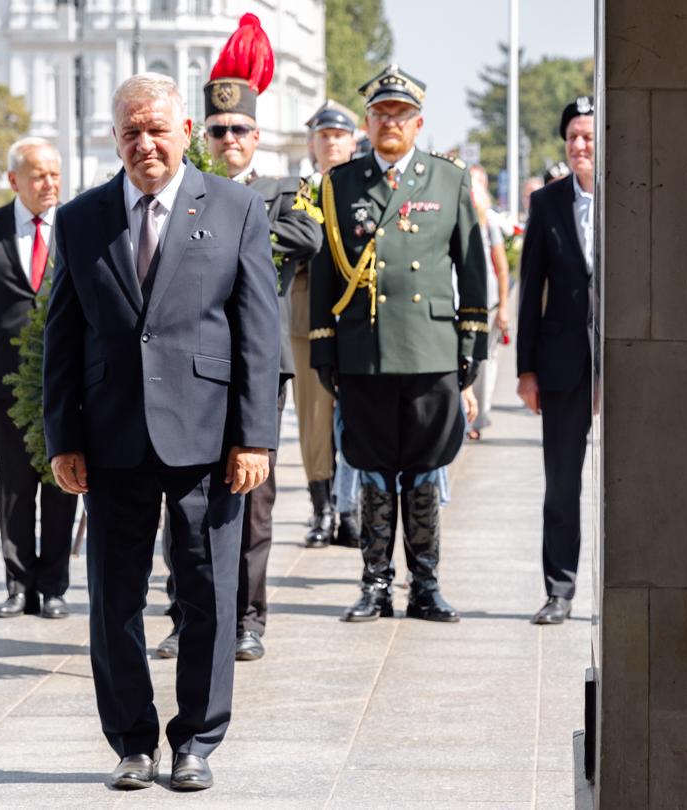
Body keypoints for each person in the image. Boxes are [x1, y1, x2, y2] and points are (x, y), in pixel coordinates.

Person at [42, 72, 278, 792]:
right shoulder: (81, 219)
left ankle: (197, 741)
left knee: (208, 589)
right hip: (111, 439)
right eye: (130, 132)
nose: (145, 143)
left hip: (208, 440)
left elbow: (258, 333)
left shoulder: (235, 208)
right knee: (114, 596)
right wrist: (62, 439)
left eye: (157, 129)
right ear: (114, 139)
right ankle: (133, 742)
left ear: (184, 132)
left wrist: (255, 438)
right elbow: (62, 334)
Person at [152, 14, 318, 665]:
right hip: (188, 363)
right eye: (218, 130)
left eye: (240, 130)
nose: (230, 141)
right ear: (204, 133)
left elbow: (308, 241)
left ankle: (249, 616)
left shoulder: (280, 192)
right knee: (182, 497)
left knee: (252, 499)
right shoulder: (181, 191)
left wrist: (237, 227)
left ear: (257, 134)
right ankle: (184, 612)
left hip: (254, 365)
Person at [308, 64, 491, 624]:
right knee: (371, 469)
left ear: (418, 124)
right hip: (367, 350)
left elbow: (473, 268)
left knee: (425, 467)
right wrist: (324, 349)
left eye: (401, 115)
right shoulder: (340, 183)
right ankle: (375, 586)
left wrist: (471, 347)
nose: (391, 123)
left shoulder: (448, 179)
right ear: (367, 121)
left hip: (432, 349)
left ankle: (426, 586)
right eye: (382, 113)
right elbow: (324, 277)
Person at [0, 137, 81, 620]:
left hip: (65, 380)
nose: (49, 184)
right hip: (6, 379)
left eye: (54, 174)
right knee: (14, 485)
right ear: (14, 181)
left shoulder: (76, 226)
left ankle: (53, 588)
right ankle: (18, 585)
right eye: (38, 176)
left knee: (62, 480)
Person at [517, 96, 598, 626]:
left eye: (588, 135)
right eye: (572, 136)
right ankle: (560, 590)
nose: (579, 145)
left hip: (628, 361)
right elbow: (530, 291)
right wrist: (526, 370)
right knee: (561, 484)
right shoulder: (546, 204)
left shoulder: (637, 193)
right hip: (563, 359)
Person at [292, 101, 361, 548]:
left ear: (354, 140)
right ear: (312, 143)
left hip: (355, 316)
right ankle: (323, 509)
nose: (331, 143)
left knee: (355, 416)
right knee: (314, 419)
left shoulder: (364, 189)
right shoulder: (298, 191)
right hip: (304, 316)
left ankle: (351, 507)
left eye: (339, 135)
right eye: (323, 136)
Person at [465, 163, 514, 437]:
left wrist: (504, 307)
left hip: (489, 304)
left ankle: (479, 417)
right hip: (462, 305)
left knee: (484, 363)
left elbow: (502, 267)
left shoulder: (490, 224)